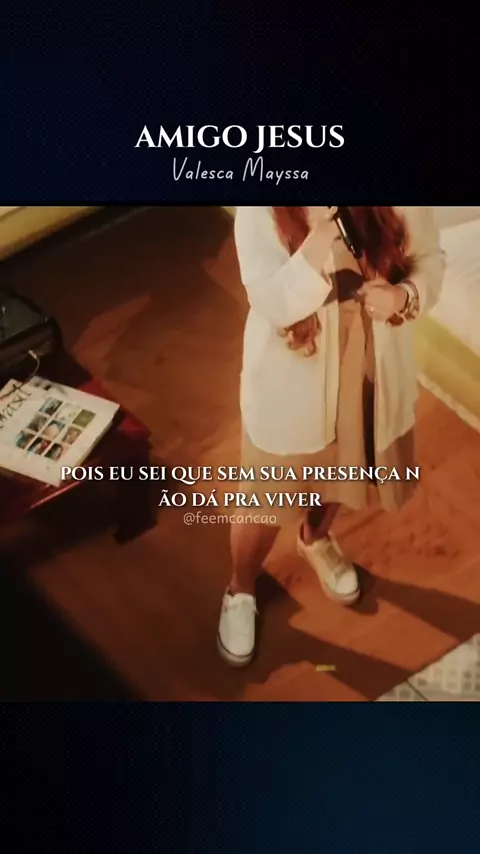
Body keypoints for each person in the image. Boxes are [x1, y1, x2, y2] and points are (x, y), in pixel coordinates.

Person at [217, 206, 446, 667]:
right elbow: (272, 300)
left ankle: (315, 538)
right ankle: (240, 588)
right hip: (293, 373)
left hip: (368, 359)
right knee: (265, 497)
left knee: (344, 470)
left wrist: (404, 296)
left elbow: (430, 259)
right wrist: (321, 232)